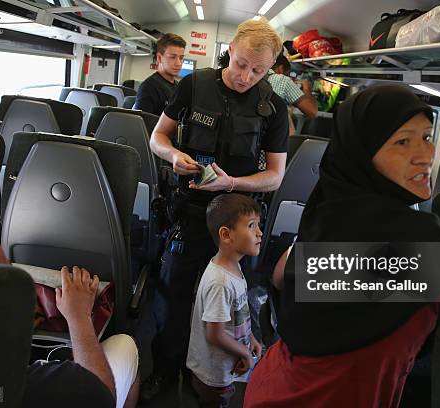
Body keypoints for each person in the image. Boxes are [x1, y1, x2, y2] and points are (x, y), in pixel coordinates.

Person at [244, 85, 440, 407]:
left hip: (277, 383)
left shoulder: (334, 209)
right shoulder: (407, 247)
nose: (426, 155)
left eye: (428, 137)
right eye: (402, 141)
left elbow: (283, 273)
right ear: (363, 155)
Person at [141, 18, 288, 402]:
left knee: (231, 305)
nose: (246, 76)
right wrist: (173, 155)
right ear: (229, 52)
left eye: (258, 70)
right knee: (175, 297)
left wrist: (234, 183)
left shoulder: (274, 107)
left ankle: (215, 378)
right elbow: (157, 136)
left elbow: (274, 176)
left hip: (239, 222)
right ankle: (165, 370)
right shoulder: (193, 85)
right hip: (190, 212)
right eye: (241, 64)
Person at [0, 220, 140, 408]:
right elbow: (102, 395)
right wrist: (79, 317)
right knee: (125, 344)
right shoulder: (30, 388)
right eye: (6, 277)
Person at [186, 194, 263, 407]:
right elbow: (215, 334)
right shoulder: (220, 282)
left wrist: (251, 339)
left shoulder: (234, 267)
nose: (260, 232)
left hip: (227, 361)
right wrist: (245, 353)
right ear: (226, 235)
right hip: (214, 373)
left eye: (258, 225)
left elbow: (238, 314)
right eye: (251, 225)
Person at [132, 32, 186, 115]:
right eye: (172, 57)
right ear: (160, 58)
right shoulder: (149, 87)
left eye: (181, 58)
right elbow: (142, 124)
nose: (178, 63)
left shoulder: (178, 86)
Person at [267, 53, 318, 131]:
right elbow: (312, 112)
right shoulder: (283, 80)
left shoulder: (257, 75)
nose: (287, 77)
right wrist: (307, 89)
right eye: (286, 74)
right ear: (281, 68)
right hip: (270, 137)